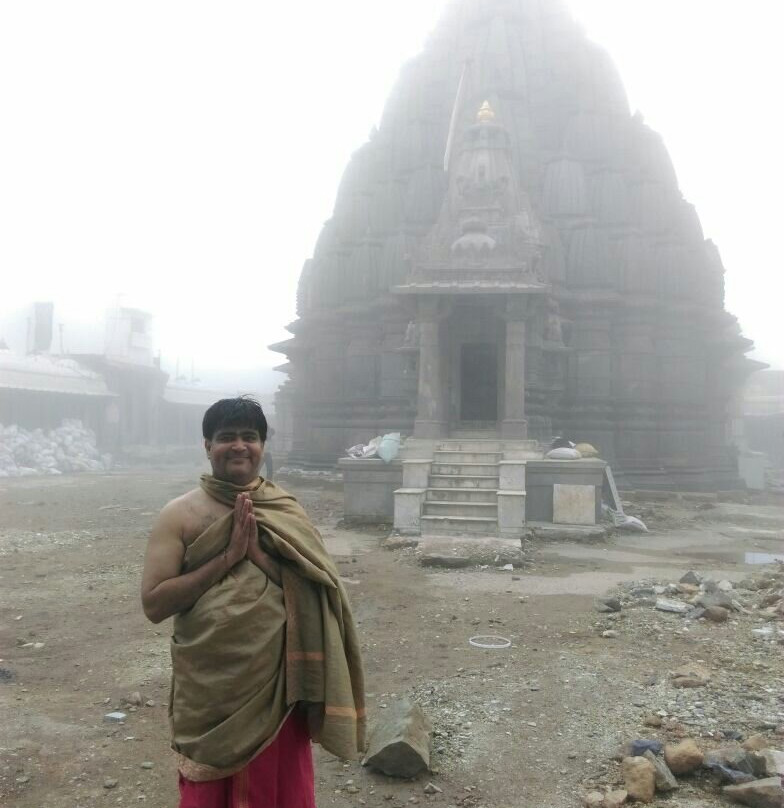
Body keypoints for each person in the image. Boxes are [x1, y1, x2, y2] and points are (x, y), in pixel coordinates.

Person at [141, 396, 365, 808]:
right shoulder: (180, 515)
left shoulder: (284, 510)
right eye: (227, 438)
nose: (239, 446)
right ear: (207, 445)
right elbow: (154, 604)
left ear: (263, 445)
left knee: (279, 789)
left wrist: (257, 556)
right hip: (211, 689)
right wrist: (226, 560)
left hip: (277, 685)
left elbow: (321, 589)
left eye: (250, 437)